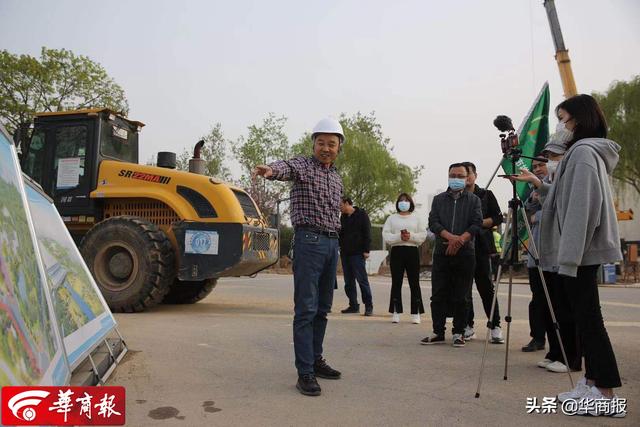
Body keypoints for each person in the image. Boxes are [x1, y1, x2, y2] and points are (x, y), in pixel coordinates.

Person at [512, 94, 625, 417]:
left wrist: (569, 258)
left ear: (579, 119)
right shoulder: (579, 154)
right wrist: (540, 184)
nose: (560, 126)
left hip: (580, 253)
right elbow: (563, 195)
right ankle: (590, 383)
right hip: (575, 252)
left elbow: (580, 210)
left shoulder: (584, 154)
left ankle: (605, 392)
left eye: (563, 119)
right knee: (583, 318)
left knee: (590, 321)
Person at [252, 117, 344, 397]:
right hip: (310, 241)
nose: (326, 148)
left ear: (339, 147)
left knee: (323, 308)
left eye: (332, 143)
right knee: (306, 308)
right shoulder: (305, 166)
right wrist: (270, 170)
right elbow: (286, 167)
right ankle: (304, 372)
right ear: (313, 144)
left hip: (331, 243)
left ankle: (316, 360)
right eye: (321, 143)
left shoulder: (336, 177)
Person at [422, 163, 482, 347]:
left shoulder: (474, 200)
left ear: (467, 178)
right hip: (442, 252)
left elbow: (476, 223)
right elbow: (433, 222)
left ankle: (458, 332)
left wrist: (460, 240)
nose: (456, 179)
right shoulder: (439, 199)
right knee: (438, 293)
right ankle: (437, 331)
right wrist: (450, 237)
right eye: (453, 175)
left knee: (462, 295)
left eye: (460, 176)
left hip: (465, 253)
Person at [461, 161, 504, 344]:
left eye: (468, 173)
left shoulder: (485, 195)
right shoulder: (455, 197)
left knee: (486, 287)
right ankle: (467, 325)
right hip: (462, 247)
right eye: (462, 175)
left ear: (475, 175)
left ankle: (495, 325)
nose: (466, 178)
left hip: (481, 247)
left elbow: (498, 217)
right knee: (464, 289)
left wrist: (479, 223)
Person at [382, 193, 426, 324]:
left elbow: (422, 235)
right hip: (397, 250)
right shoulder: (391, 218)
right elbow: (386, 234)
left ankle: (416, 312)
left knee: (414, 282)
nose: (403, 202)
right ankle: (396, 311)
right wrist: (398, 237)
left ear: (411, 203)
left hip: (412, 250)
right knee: (396, 282)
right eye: (401, 200)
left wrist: (410, 236)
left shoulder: (416, 218)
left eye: (406, 200)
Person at [521, 158, 549, 353]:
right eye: (535, 167)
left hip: (554, 255)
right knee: (537, 298)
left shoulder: (558, 184)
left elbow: (556, 211)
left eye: (541, 165)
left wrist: (536, 217)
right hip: (536, 251)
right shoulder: (534, 191)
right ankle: (537, 337)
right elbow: (525, 212)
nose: (538, 169)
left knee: (556, 300)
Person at [338, 197, 373, 316]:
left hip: (358, 254)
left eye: (341, 205)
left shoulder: (362, 214)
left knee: (362, 280)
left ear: (347, 203)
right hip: (345, 254)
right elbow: (340, 234)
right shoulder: (342, 217)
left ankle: (368, 306)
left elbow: (367, 232)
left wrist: (366, 250)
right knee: (348, 282)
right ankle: (353, 305)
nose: (339, 208)